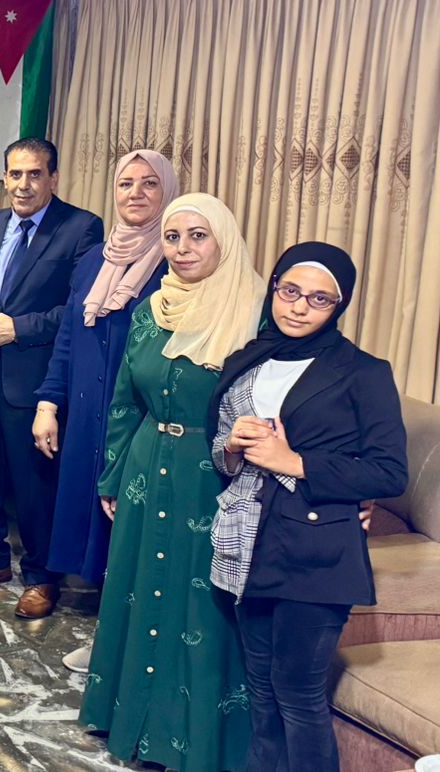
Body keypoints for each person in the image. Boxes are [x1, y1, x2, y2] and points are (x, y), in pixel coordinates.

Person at [79, 192, 265, 772]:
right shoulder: (151, 310)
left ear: (223, 241)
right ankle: (131, 723)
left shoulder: (254, 315)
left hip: (214, 478)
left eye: (198, 236)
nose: (183, 249)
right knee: (139, 587)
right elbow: (124, 401)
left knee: (199, 602)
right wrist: (112, 474)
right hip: (145, 467)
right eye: (173, 237)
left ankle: (191, 741)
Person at [209, 243, 408, 772]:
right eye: (290, 291)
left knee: (298, 695)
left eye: (319, 299)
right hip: (248, 545)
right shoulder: (247, 359)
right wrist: (232, 446)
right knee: (262, 693)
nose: (299, 307)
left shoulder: (364, 371)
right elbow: (220, 453)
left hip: (316, 553)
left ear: (339, 305)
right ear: (274, 287)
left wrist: (296, 462)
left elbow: (389, 471)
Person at [0, 138, 104, 618]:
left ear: (53, 177)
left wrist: (21, 328)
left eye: (35, 174)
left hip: (36, 381)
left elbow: (80, 310)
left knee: (36, 485)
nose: (23, 184)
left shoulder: (80, 228)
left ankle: (41, 576)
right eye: (15, 174)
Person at [33, 149, 178, 671]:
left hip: (139, 419)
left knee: (131, 523)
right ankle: (110, 628)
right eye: (125, 183)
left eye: (149, 184)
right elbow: (69, 337)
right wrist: (48, 402)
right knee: (96, 518)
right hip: (86, 414)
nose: (135, 193)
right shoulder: (96, 259)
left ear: (168, 191)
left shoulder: (175, 261)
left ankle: (122, 640)